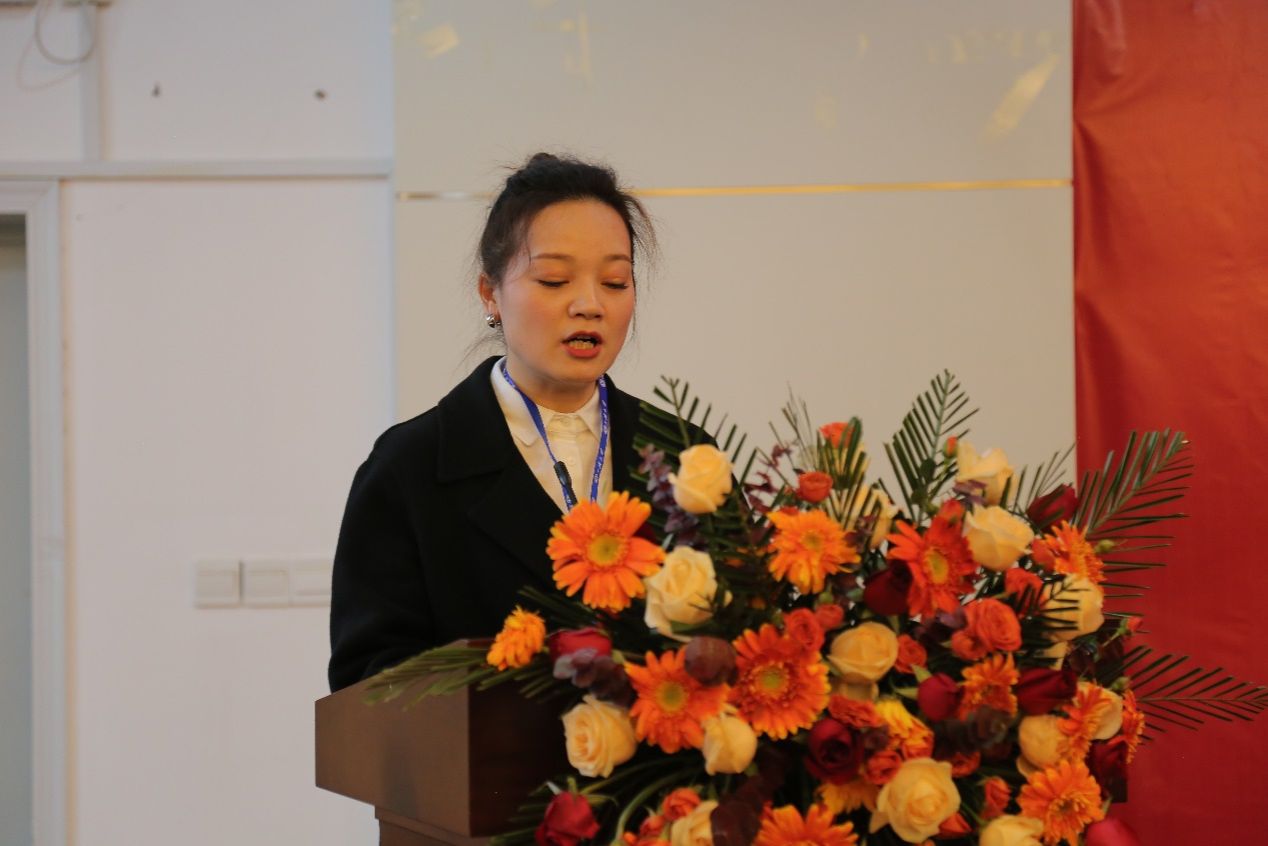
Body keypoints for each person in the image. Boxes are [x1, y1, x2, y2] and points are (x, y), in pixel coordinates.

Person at [328, 153, 658, 691]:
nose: (590, 304)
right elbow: (369, 685)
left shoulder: (686, 457)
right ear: (490, 294)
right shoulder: (411, 467)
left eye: (615, 282)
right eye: (554, 279)